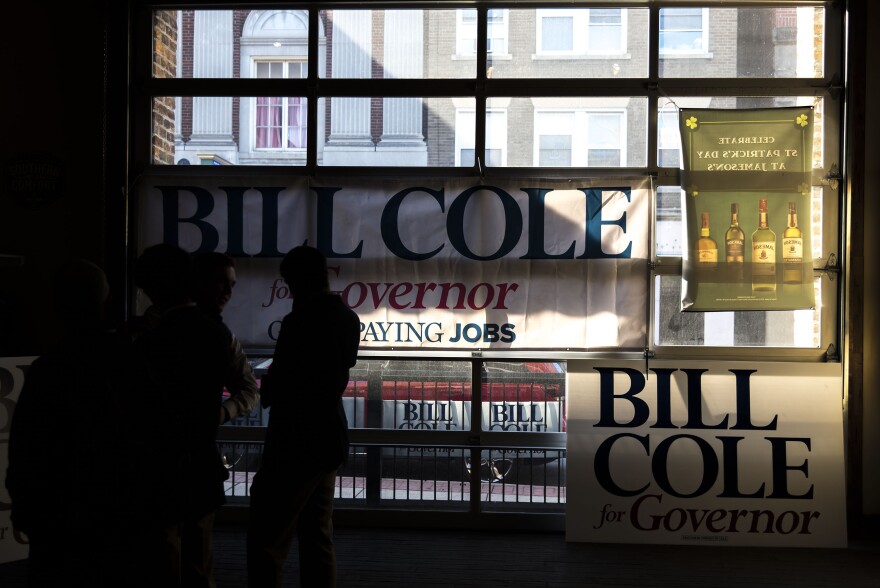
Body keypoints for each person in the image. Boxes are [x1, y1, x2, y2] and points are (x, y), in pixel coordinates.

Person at [5, 258, 175, 587]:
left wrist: (25, 508)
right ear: (105, 301)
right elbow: (161, 438)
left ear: (56, 306)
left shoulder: (48, 370)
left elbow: (27, 447)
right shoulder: (132, 365)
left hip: (60, 527)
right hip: (125, 523)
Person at [246, 245, 360, 588]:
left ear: (296, 280)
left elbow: (285, 382)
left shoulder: (301, 321)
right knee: (317, 535)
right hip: (328, 437)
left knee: (268, 536)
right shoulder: (346, 318)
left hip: (295, 441)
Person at [133, 243, 244, 587]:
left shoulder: (140, 336)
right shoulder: (216, 332)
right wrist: (220, 412)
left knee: (162, 557)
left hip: (150, 463)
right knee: (199, 560)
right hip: (198, 461)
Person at [191, 251, 259, 426]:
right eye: (222, 282)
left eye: (232, 285)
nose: (228, 292)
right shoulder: (223, 336)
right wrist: (223, 413)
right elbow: (249, 389)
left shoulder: (224, 336)